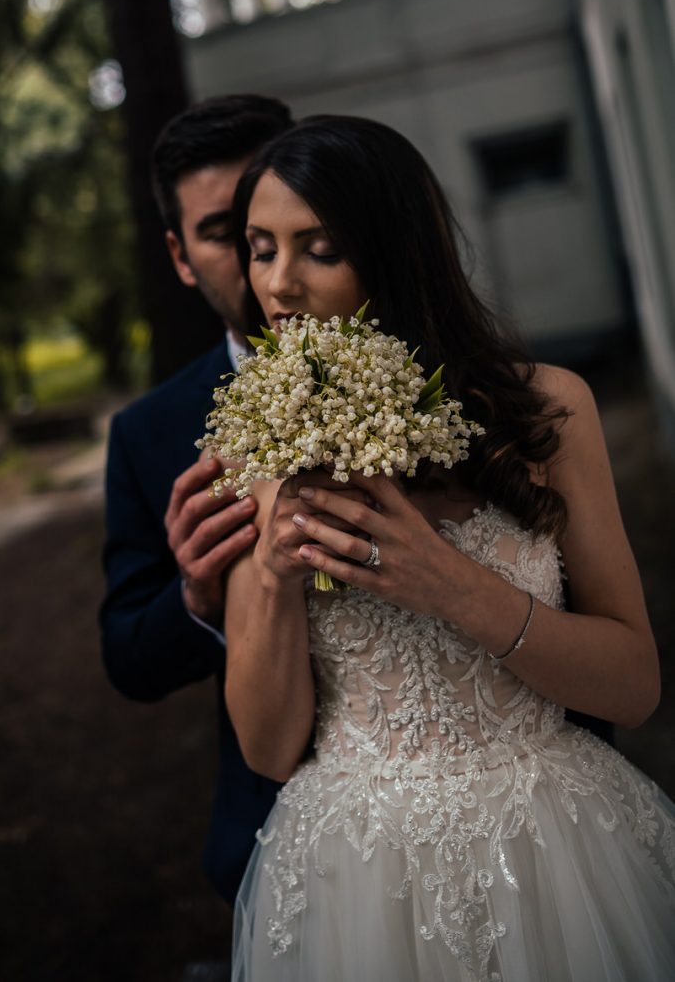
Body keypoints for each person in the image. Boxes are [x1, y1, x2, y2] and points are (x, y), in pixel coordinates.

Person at [224, 115, 675, 981]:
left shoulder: (548, 413)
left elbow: (637, 684)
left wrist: (455, 588)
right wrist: (275, 580)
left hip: (557, 851)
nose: (279, 285)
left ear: (397, 254)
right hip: (357, 879)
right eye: (259, 248)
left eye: (319, 249)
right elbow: (268, 750)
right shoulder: (260, 444)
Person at [100, 93, 292, 904]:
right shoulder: (150, 434)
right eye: (223, 231)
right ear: (180, 258)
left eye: (271, 208)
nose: (258, 247)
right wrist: (198, 596)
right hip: (281, 832)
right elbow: (129, 658)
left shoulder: (442, 377)